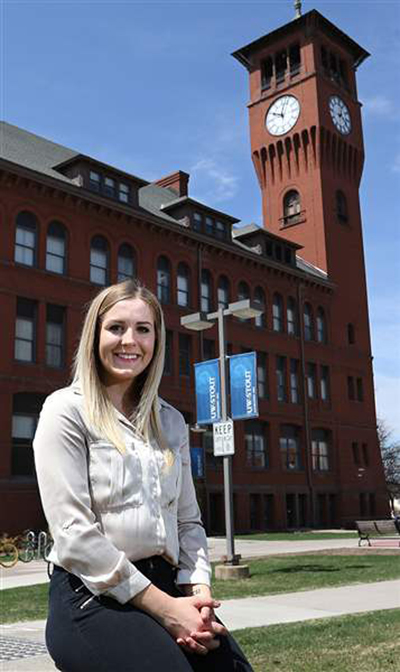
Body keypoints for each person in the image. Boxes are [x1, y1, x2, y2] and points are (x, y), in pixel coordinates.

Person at [33, 280, 253, 672]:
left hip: (168, 586)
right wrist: (166, 609)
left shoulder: (170, 422)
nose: (129, 340)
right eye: (116, 327)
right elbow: (73, 534)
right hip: (91, 595)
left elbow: (188, 522)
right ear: (95, 335)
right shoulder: (65, 411)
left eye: (143, 329)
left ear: (157, 340)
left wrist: (198, 596)